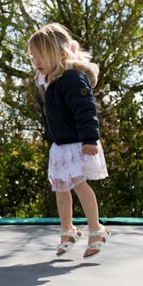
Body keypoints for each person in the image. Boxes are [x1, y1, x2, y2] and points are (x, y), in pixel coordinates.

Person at [28, 23, 110, 258]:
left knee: (79, 185)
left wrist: (90, 139)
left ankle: (96, 230)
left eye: (41, 56)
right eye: (34, 57)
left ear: (61, 54)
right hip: (60, 146)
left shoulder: (73, 79)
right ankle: (68, 230)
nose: (37, 62)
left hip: (78, 143)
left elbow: (86, 110)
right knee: (60, 188)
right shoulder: (47, 83)